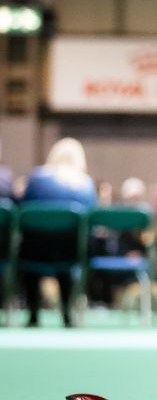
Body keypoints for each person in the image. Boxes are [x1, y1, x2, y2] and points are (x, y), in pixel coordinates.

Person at [20, 137, 96, 327]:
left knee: (30, 249)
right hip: (71, 251)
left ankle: (33, 313)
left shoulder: (36, 178)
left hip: (33, 249)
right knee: (68, 254)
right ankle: (67, 313)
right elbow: (91, 220)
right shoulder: (85, 183)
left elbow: (22, 211)